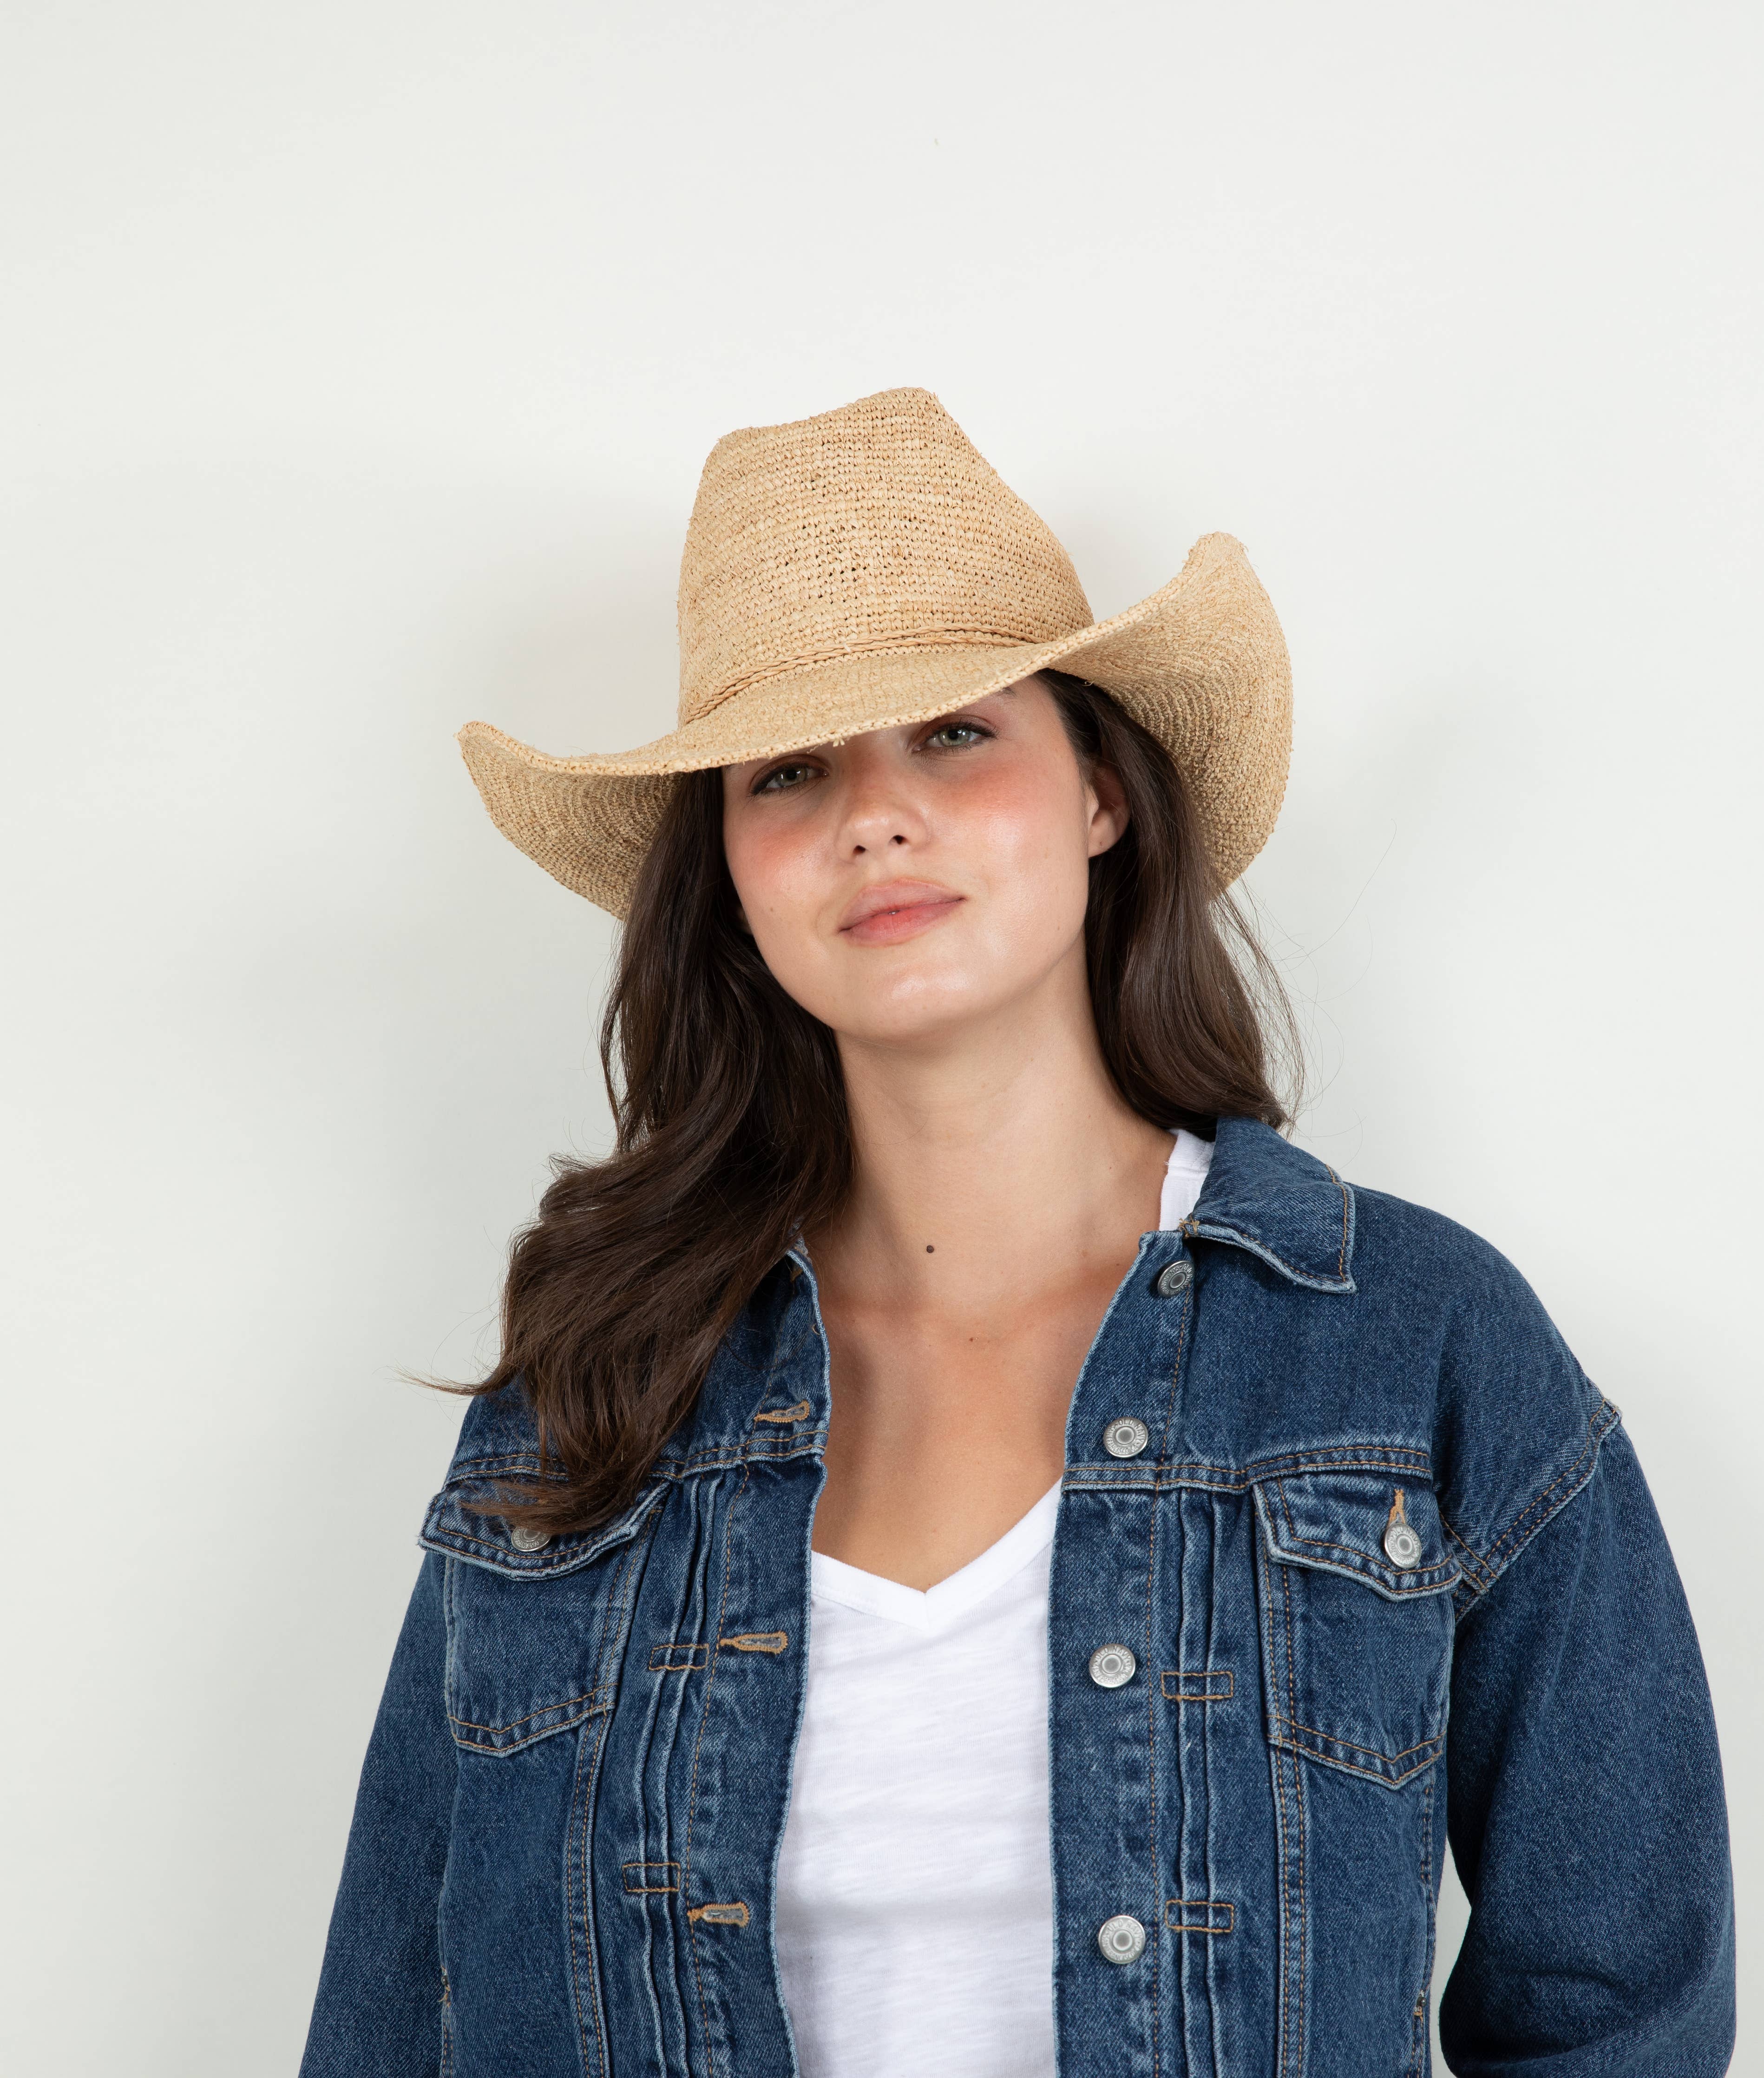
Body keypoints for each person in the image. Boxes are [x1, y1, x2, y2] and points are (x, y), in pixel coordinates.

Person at [299, 388, 1735, 2078]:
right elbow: (397, 2017)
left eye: (954, 735)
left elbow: (1620, 2006)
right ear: (735, 879)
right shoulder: (595, 1385)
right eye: (790, 772)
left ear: (1101, 795)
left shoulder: (1409, 1339)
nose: (874, 815)